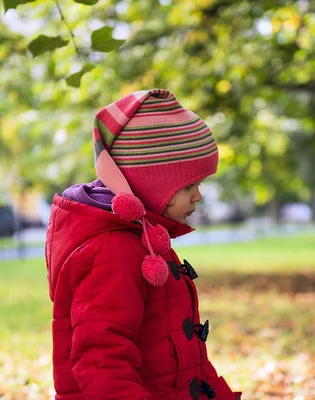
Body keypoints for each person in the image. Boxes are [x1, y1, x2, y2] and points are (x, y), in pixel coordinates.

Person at [45, 89, 241, 400]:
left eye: (200, 185)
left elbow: (187, 357)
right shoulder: (112, 250)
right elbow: (102, 361)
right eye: (189, 184)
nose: (198, 196)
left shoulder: (148, 239)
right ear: (150, 182)